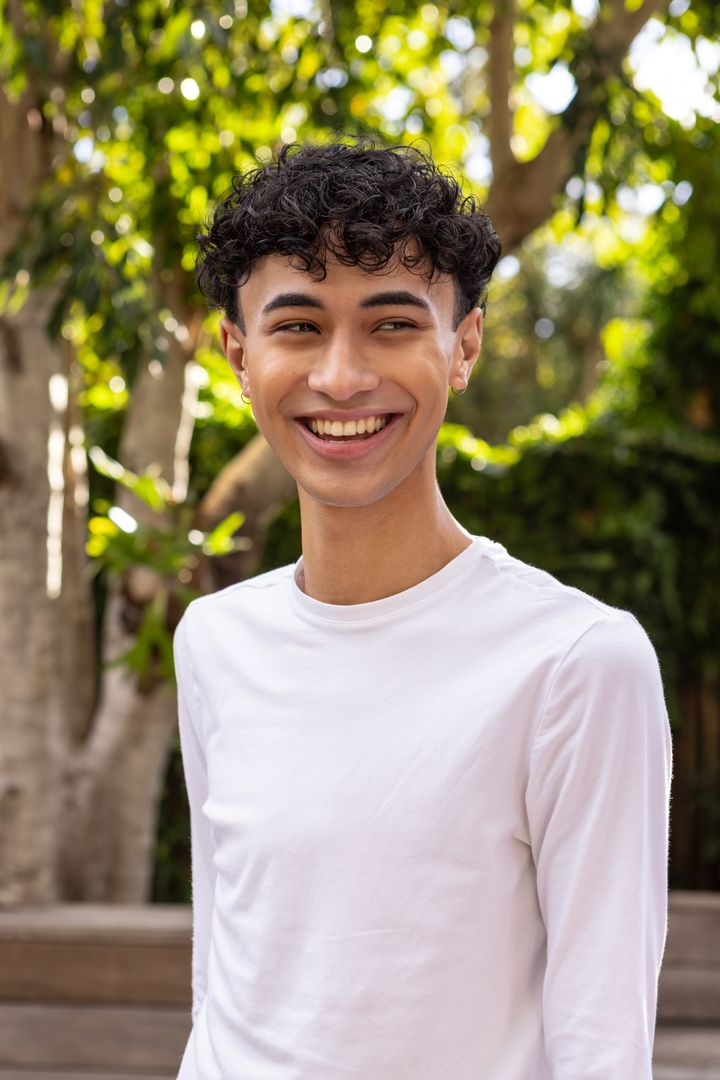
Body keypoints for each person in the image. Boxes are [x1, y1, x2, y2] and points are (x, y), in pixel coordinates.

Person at [174, 138, 673, 1079]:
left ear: (465, 346)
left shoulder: (578, 663)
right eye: (298, 327)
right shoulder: (214, 640)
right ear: (239, 355)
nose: (340, 377)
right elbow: (225, 981)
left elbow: (603, 1052)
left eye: (393, 324)